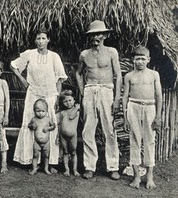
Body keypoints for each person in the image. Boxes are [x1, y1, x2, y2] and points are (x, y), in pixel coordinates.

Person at [11, 28, 68, 171]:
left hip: (50, 94)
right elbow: (13, 66)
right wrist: (23, 80)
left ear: (48, 40)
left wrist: (56, 98)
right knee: (30, 123)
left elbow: (60, 79)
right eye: (38, 38)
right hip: (33, 94)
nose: (40, 41)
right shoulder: (29, 54)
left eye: (43, 38)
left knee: (51, 124)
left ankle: (51, 163)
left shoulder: (54, 57)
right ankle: (29, 159)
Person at [75, 20, 122, 180]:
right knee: (88, 130)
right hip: (90, 90)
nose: (96, 37)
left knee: (109, 129)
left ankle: (113, 167)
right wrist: (83, 92)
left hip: (107, 90)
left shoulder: (111, 52)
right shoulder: (84, 54)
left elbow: (118, 75)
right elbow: (78, 73)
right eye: (93, 34)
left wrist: (116, 99)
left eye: (99, 34)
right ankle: (89, 166)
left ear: (105, 35)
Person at [122, 46, 162, 189]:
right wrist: (126, 118)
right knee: (134, 141)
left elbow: (158, 95)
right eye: (137, 59)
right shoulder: (129, 76)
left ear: (148, 60)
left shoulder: (154, 75)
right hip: (133, 106)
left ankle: (150, 177)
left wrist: (158, 116)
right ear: (133, 60)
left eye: (143, 59)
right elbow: (125, 96)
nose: (140, 62)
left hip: (150, 107)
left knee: (150, 141)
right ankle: (137, 177)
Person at [28, 99, 56, 175]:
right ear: (34, 111)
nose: (40, 113)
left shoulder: (47, 119)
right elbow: (29, 125)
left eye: (43, 111)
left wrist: (48, 128)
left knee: (46, 156)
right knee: (35, 155)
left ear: (46, 111)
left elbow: (53, 126)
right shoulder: (34, 119)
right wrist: (32, 126)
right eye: (38, 111)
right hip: (37, 142)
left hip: (46, 142)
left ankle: (46, 169)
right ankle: (34, 168)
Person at [56, 90, 80, 177]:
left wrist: (77, 108)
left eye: (70, 100)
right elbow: (58, 123)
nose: (68, 103)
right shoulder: (62, 112)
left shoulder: (76, 111)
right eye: (65, 101)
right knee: (65, 152)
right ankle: (67, 169)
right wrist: (57, 136)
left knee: (73, 152)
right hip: (63, 136)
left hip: (73, 136)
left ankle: (75, 170)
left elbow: (71, 116)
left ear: (74, 100)